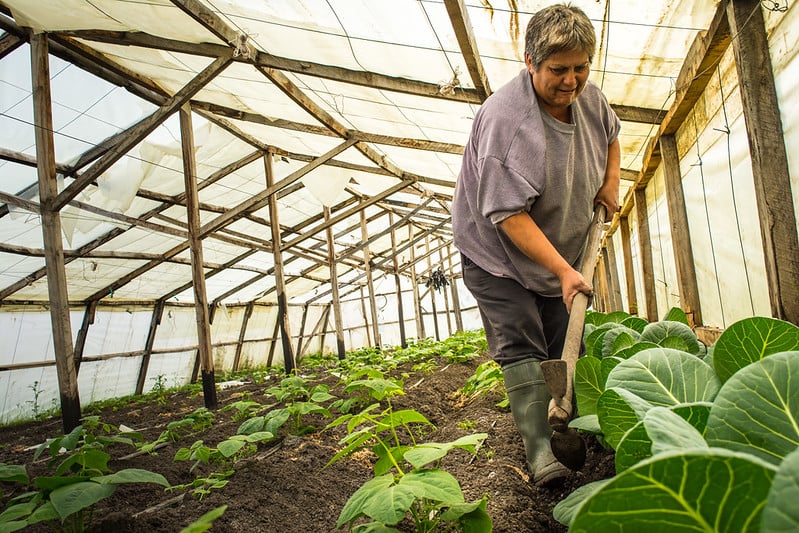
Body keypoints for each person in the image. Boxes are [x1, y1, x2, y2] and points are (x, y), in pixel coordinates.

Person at [452, 3, 620, 485]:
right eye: (559, 70)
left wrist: (609, 182)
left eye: (581, 67)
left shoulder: (590, 99)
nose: (572, 80)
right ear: (530, 62)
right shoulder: (508, 122)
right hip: (497, 255)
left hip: (557, 249)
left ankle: (570, 424)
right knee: (522, 341)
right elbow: (507, 215)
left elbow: (612, 136)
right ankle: (540, 451)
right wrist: (566, 272)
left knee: (562, 339)